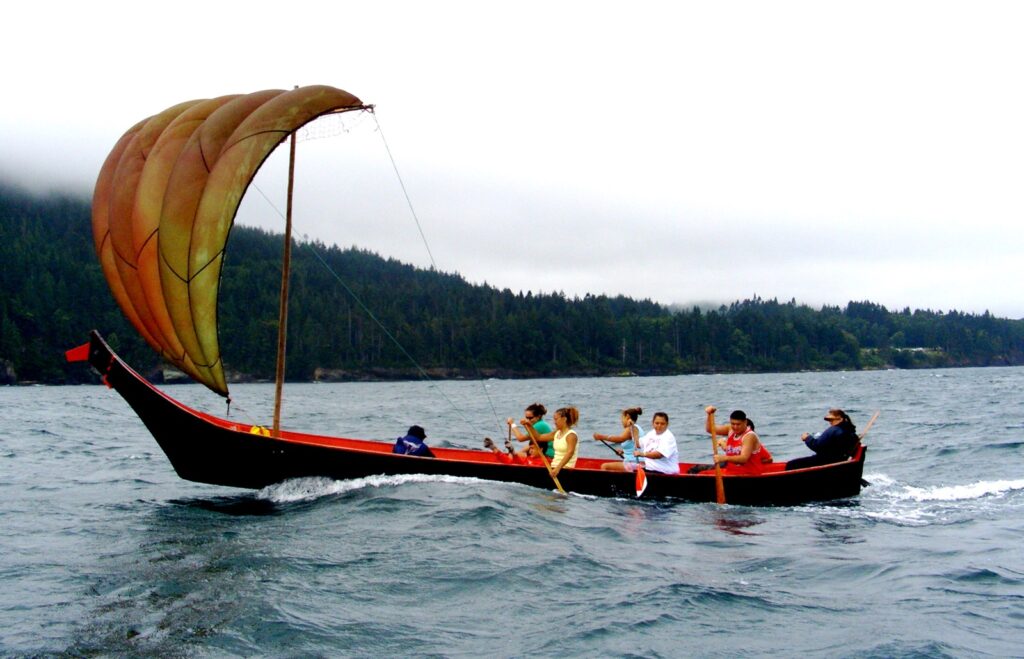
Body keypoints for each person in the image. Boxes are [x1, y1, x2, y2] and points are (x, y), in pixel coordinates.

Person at [699, 406, 769, 475]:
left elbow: (743, 459)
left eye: (738, 424)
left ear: (745, 422)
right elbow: (710, 429)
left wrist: (724, 458)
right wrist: (709, 414)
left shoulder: (749, 436)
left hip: (748, 474)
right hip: (732, 473)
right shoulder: (730, 429)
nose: (735, 427)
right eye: (733, 424)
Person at [785, 409, 859, 470]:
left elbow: (817, 446)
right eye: (829, 420)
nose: (830, 422)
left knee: (791, 465)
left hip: (827, 461)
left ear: (840, 419)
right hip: (838, 460)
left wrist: (807, 438)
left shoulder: (834, 430)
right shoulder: (850, 431)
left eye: (832, 420)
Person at [524, 406, 580, 477]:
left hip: (565, 469)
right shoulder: (556, 433)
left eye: (556, 419)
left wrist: (558, 469)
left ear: (564, 419)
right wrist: (529, 425)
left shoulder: (571, 435)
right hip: (554, 468)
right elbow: (538, 437)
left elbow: (570, 453)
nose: (554, 422)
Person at [593, 407, 644, 471]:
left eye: (622, 418)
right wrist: (623, 452)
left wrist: (601, 437)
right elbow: (636, 446)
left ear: (627, 417)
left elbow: (620, 439)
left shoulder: (630, 429)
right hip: (638, 462)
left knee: (604, 466)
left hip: (634, 463)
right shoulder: (638, 428)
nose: (621, 421)